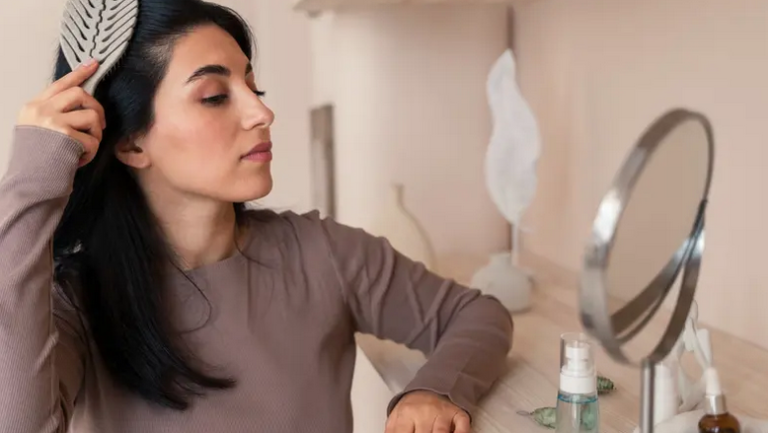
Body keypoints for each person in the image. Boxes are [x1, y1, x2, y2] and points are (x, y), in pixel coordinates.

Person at [0, 0, 513, 432]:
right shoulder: (74, 303)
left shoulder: (324, 254)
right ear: (131, 143)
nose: (262, 113)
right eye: (215, 97)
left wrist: (434, 390)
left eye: (254, 87)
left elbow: (477, 315)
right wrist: (31, 180)